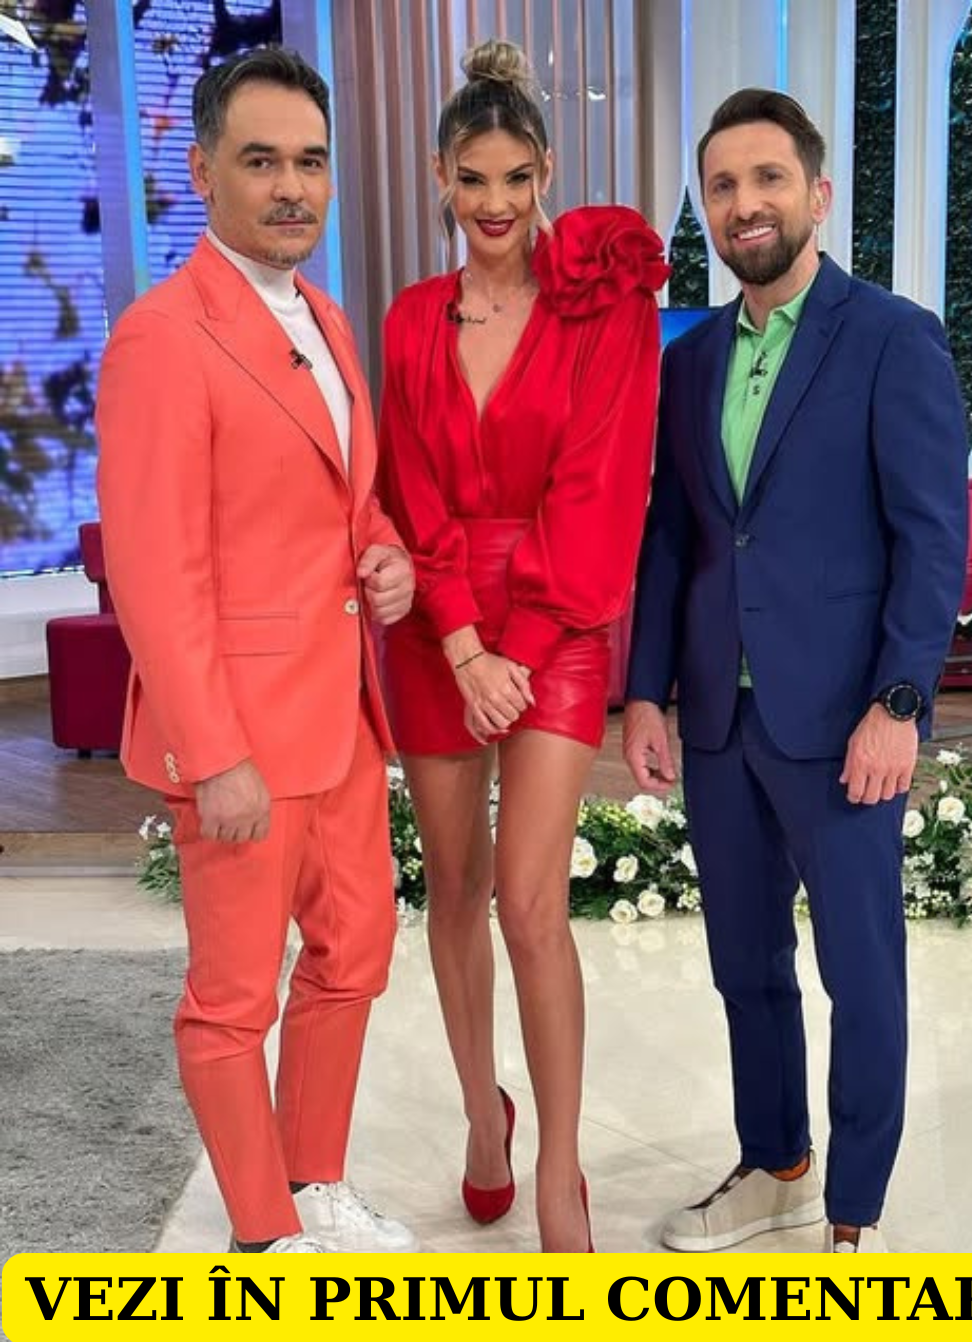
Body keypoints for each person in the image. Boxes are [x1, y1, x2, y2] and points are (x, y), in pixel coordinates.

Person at [623, 88, 968, 1255]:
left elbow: (931, 539)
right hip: (721, 719)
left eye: (767, 178)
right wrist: (646, 690)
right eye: (723, 185)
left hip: (844, 720)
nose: (745, 203)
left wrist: (899, 703)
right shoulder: (690, 361)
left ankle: (854, 1210)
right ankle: (775, 1165)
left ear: (816, 193)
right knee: (746, 966)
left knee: (861, 974)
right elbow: (674, 538)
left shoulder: (891, 338)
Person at [95, 47, 418, 1256]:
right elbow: (154, 569)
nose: (293, 188)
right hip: (239, 732)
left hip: (340, 716)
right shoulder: (162, 337)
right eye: (262, 160)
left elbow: (346, 505)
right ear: (202, 171)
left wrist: (386, 556)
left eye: (311, 162)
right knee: (233, 999)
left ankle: (314, 1181)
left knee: (355, 956)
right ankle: (263, 1236)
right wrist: (211, 749)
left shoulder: (324, 319)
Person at [377, 39, 668, 1253]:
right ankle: (481, 1118)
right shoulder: (410, 319)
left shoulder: (605, 306)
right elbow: (408, 491)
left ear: (546, 170)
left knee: (530, 899)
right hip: (437, 628)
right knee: (452, 889)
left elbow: (603, 488)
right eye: (470, 179)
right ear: (439, 176)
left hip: (561, 615)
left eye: (514, 178)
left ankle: (559, 1163)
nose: (493, 204)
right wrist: (459, 644)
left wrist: (522, 646)